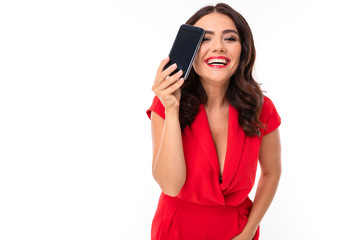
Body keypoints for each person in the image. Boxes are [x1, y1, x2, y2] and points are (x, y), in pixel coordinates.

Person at [146, 3, 281, 240]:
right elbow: (170, 186)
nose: (218, 47)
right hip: (176, 230)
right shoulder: (165, 105)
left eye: (230, 38)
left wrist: (248, 231)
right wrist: (171, 109)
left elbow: (271, 172)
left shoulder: (262, 108)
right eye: (205, 39)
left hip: (238, 232)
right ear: (190, 51)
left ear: (244, 49)